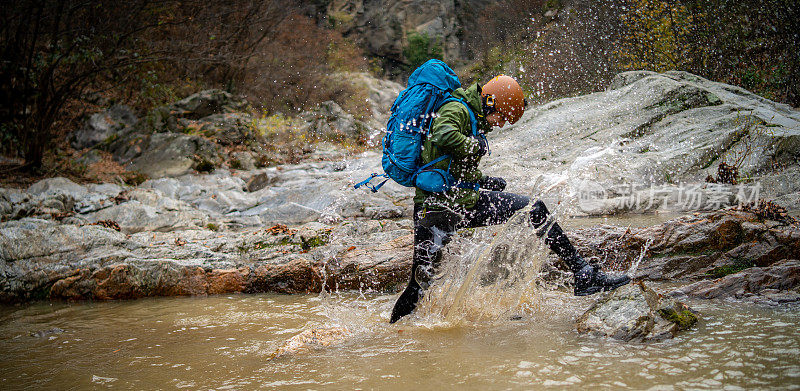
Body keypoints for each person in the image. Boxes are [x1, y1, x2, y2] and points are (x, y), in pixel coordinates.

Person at [389, 75, 631, 323]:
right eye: (503, 117)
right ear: (490, 101)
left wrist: (483, 180)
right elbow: (443, 134)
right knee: (420, 282)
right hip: (439, 208)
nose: (502, 124)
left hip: (455, 203)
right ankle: (583, 273)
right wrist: (474, 148)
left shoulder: (469, 114)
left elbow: (446, 163)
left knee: (532, 209)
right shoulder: (457, 108)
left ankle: (583, 273)